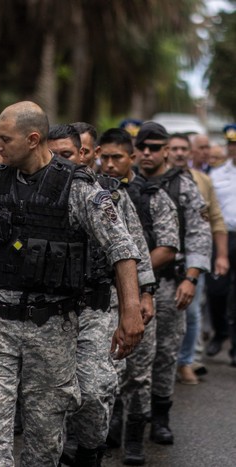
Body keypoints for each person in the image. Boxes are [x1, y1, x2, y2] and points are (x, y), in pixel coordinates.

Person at [0, 101, 143, 467]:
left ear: (32, 139)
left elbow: (122, 249)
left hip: (53, 328)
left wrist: (131, 312)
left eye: (4, 139)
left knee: (44, 438)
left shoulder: (78, 189)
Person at [47, 123, 155, 466]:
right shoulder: (39, 193)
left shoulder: (110, 195)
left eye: (67, 155)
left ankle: (90, 451)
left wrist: (142, 299)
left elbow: (134, 248)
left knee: (94, 391)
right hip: (51, 310)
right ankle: (64, 451)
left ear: (84, 154)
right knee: (52, 396)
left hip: (98, 303)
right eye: (54, 156)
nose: (60, 163)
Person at [98, 127, 180, 465]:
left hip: (145, 291)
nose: (110, 164)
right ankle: (110, 428)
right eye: (105, 157)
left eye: (117, 157)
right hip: (105, 297)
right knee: (109, 369)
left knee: (142, 370)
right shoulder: (94, 192)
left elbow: (166, 247)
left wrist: (132, 278)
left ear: (130, 158)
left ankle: (136, 436)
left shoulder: (152, 195)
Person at [134, 122, 212, 448]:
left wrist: (192, 278)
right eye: (143, 147)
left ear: (167, 150)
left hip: (169, 284)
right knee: (129, 355)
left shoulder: (183, 186)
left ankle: (160, 417)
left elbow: (198, 232)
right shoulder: (124, 184)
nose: (148, 153)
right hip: (129, 285)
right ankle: (124, 421)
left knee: (165, 353)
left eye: (155, 147)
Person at [167, 133, 229, 383]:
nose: (180, 153)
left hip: (192, 258)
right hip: (161, 257)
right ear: (166, 151)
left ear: (190, 153)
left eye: (184, 149)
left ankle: (186, 362)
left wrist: (221, 255)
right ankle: (160, 364)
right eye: (175, 149)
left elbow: (215, 219)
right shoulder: (151, 179)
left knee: (191, 313)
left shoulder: (202, 180)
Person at [205, 124, 236, 367]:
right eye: (232, 144)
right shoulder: (216, 175)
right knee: (216, 290)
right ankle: (220, 331)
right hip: (222, 238)